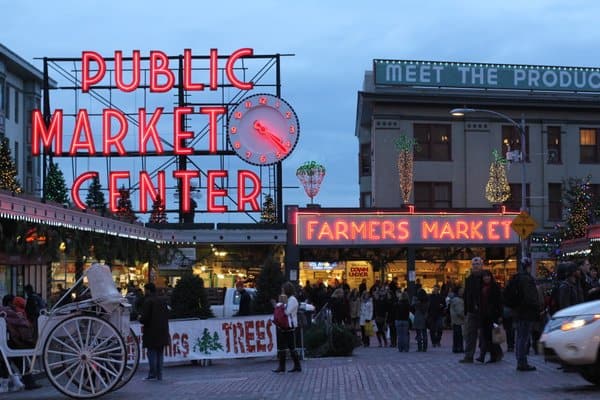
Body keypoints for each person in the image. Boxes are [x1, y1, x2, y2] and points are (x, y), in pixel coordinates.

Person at [511, 257, 541, 372]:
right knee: (524, 337)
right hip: (526, 312)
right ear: (529, 266)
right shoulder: (527, 279)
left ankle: (520, 360)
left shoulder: (517, 277)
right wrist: (535, 307)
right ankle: (522, 362)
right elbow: (530, 297)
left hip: (519, 311)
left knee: (520, 337)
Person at [139, 283, 170, 381]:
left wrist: (139, 318)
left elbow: (145, 318)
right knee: (160, 354)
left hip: (151, 331)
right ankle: (159, 374)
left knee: (151, 353)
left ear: (148, 290)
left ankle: (152, 373)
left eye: (145, 290)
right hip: (163, 330)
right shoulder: (162, 301)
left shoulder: (148, 301)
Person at [272, 282, 301, 373]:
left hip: (289, 326)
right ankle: (282, 366)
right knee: (282, 346)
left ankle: (296, 365)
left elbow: (287, 312)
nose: (282, 291)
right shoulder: (287, 299)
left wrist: (280, 305)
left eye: (283, 289)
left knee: (291, 346)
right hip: (283, 325)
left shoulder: (292, 300)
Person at [460, 256, 484, 363]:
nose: (475, 266)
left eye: (477, 264)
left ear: (481, 265)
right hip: (471, 311)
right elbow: (467, 295)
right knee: (470, 334)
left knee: (485, 334)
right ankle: (469, 356)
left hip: (484, 310)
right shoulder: (469, 279)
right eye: (474, 264)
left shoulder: (485, 277)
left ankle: (486, 354)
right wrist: (466, 309)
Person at [476, 270, 503, 363]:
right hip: (484, 315)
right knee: (486, 336)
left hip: (493, 315)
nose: (486, 278)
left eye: (488, 276)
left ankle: (492, 355)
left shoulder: (495, 287)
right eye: (484, 276)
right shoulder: (480, 288)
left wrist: (499, 315)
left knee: (493, 336)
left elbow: (499, 302)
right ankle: (486, 355)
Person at [449, 286, 465, 353]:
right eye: (461, 291)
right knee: (459, 335)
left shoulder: (455, 299)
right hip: (458, 320)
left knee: (456, 335)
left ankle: (456, 348)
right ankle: (459, 348)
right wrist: (465, 317)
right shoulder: (458, 300)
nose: (463, 292)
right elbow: (460, 312)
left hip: (455, 320)